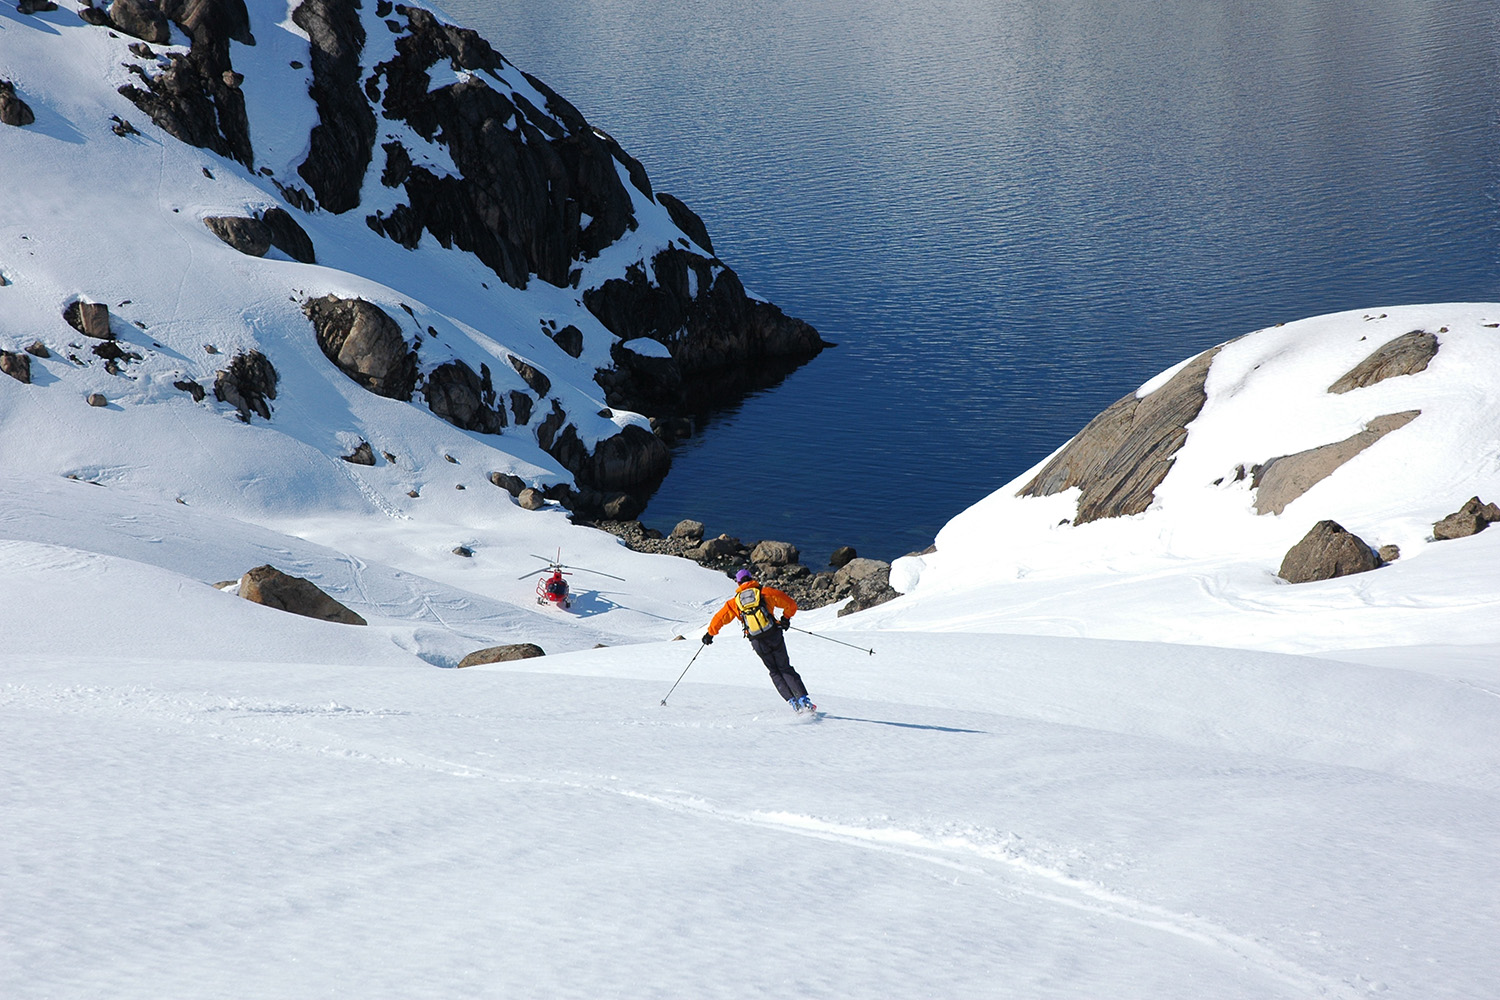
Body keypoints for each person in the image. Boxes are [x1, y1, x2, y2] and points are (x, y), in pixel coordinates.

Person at [702, 569, 816, 713]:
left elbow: (719, 619)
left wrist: (710, 634)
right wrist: (785, 619)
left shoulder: (734, 603)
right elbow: (791, 604)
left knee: (774, 671)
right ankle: (804, 700)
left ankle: (793, 703)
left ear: (738, 583)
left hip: (757, 642)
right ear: (751, 578)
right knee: (785, 667)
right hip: (774, 635)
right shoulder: (765, 593)